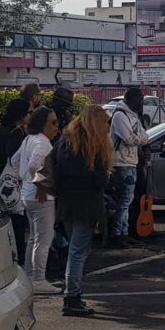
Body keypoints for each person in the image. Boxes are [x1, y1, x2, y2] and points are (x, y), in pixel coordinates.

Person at [54, 105, 112, 317]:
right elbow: (100, 179)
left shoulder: (66, 142)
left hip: (67, 202)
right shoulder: (92, 146)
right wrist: (105, 175)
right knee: (78, 252)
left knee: (73, 248)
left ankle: (72, 295)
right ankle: (72, 296)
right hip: (87, 204)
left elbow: (57, 171)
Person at [17, 106, 61, 295]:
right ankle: (38, 279)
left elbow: (16, 160)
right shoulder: (43, 143)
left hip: (27, 193)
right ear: (42, 124)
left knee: (34, 238)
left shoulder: (29, 139)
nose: (56, 126)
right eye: (52, 122)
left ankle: (29, 276)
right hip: (40, 196)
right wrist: (41, 185)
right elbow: (35, 164)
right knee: (44, 239)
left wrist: (28, 179)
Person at [0, 98, 31, 264]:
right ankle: (18, 260)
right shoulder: (17, 134)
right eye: (29, 112)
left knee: (4, 223)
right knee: (18, 224)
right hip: (13, 181)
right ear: (21, 115)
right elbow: (16, 159)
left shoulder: (1, 129)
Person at [109, 87, 149, 248]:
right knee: (124, 201)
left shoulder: (133, 115)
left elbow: (144, 136)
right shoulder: (120, 115)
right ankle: (118, 234)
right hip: (121, 162)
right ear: (129, 99)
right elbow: (129, 139)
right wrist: (141, 139)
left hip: (131, 161)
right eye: (139, 99)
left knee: (129, 200)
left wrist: (140, 138)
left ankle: (125, 232)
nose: (141, 102)